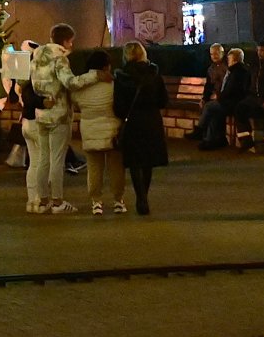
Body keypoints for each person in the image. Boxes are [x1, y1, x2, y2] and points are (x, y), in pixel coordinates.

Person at [20, 23, 109, 214]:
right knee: (57, 160)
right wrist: (94, 76)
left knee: (43, 158)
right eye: (71, 41)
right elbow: (71, 83)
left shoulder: (36, 57)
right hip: (59, 115)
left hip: (41, 114)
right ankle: (58, 201)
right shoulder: (60, 60)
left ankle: (43, 201)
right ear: (66, 41)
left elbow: (29, 83)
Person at [114, 41, 169, 215]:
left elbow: (118, 106)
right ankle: (144, 196)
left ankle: (140, 197)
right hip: (151, 119)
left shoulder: (122, 76)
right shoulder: (154, 73)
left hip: (132, 121)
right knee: (148, 161)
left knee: (135, 161)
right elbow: (163, 100)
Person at [74, 49, 126, 214]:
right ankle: (118, 200)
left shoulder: (80, 85)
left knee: (94, 168)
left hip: (89, 130)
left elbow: (75, 101)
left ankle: (96, 202)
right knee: (116, 168)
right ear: (106, 66)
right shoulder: (112, 84)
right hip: (112, 130)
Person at [195, 49, 249, 150]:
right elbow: (210, 86)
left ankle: (200, 130)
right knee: (213, 110)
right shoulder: (227, 70)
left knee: (210, 107)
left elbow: (231, 90)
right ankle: (211, 140)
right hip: (226, 100)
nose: (228, 60)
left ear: (235, 60)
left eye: (229, 59)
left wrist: (219, 97)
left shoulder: (237, 72)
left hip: (232, 103)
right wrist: (205, 98)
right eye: (211, 54)